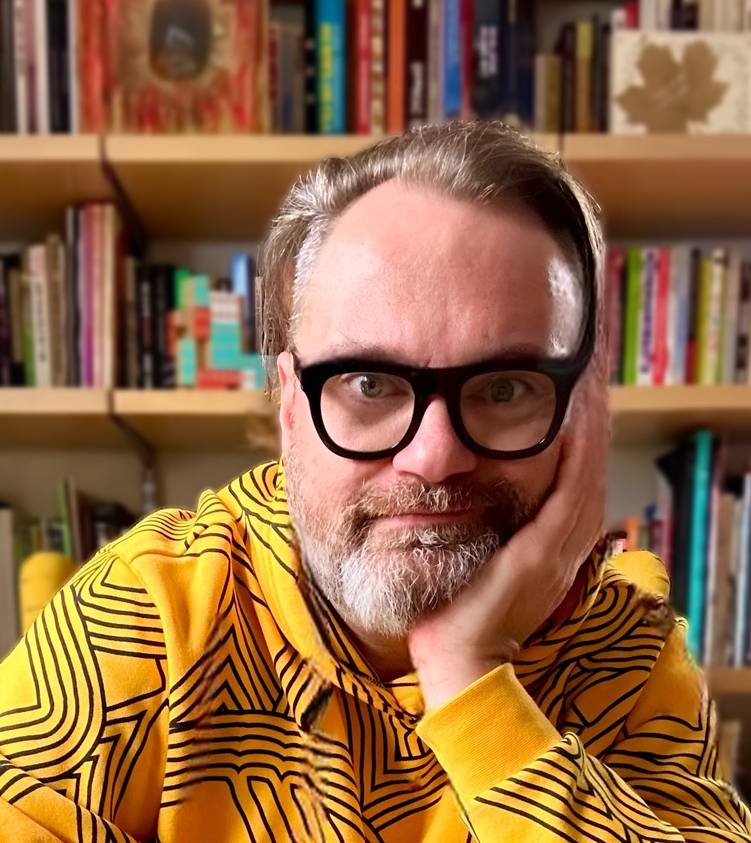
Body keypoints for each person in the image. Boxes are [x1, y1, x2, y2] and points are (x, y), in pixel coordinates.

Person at [1, 121, 749, 843]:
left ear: (581, 411)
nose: (435, 456)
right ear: (291, 402)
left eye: (503, 387)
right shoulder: (155, 607)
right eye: (367, 382)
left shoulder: (625, 646)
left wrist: (469, 673)